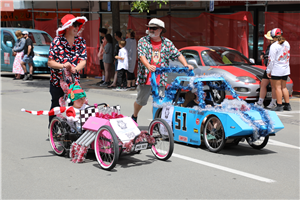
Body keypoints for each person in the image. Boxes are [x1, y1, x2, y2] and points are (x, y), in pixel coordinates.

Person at [131, 18, 194, 122]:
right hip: (146, 77)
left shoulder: (167, 43)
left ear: (160, 30)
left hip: (161, 78)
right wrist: (148, 66)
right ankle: (134, 115)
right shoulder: (143, 41)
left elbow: (177, 54)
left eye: (154, 28)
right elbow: (141, 56)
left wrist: (186, 64)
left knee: (158, 102)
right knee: (141, 101)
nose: (151, 30)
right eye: (149, 28)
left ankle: (156, 122)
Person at [48, 14, 88, 124]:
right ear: (67, 27)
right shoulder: (57, 41)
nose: (77, 27)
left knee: (76, 104)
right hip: (57, 81)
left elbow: (83, 60)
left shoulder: (80, 41)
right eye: (74, 25)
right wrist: (63, 65)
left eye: (78, 25)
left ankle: (73, 129)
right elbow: (50, 62)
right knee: (56, 105)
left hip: (73, 82)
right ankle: (53, 130)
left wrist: (76, 68)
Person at [22, 83, 88, 130]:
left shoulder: (86, 107)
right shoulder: (70, 109)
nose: (82, 101)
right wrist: (73, 119)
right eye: (80, 99)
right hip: (74, 128)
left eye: (83, 99)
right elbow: (53, 112)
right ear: (73, 100)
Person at [266, 28, 291, 111]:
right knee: (284, 87)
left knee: (277, 88)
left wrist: (268, 71)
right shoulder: (287, 43)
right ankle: (287, 105)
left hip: (277, 69)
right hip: (285, 68)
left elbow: (271, 60)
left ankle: (279, 105)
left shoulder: (274, 46)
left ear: (273, 37)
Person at [256, 30, 277, 109]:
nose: (267, 40)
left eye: (268, 38)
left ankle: (273, 102)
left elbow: (272, 57)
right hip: (268, 67)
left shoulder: (275, 46)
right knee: (263, 84)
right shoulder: (270, 46)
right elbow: (266, 53)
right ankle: (260, 102)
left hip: (273, 68)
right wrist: (263, 54)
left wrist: (265, 56)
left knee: (273, 86)